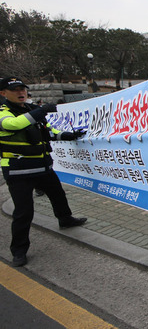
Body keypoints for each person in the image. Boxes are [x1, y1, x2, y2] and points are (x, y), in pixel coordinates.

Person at [0, 77, 87, 267]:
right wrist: (41, 111)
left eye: (22, 88)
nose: (20, 92)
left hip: (43, 168)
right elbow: (12, 125)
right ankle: (19, 251)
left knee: (58, 195)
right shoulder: (3, 113)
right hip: (18, 172)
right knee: (24, 212)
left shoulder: (31, 111)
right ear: (3, 93)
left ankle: (65, 219)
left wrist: (69, 135)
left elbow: (49, 132)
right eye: (14, 89)